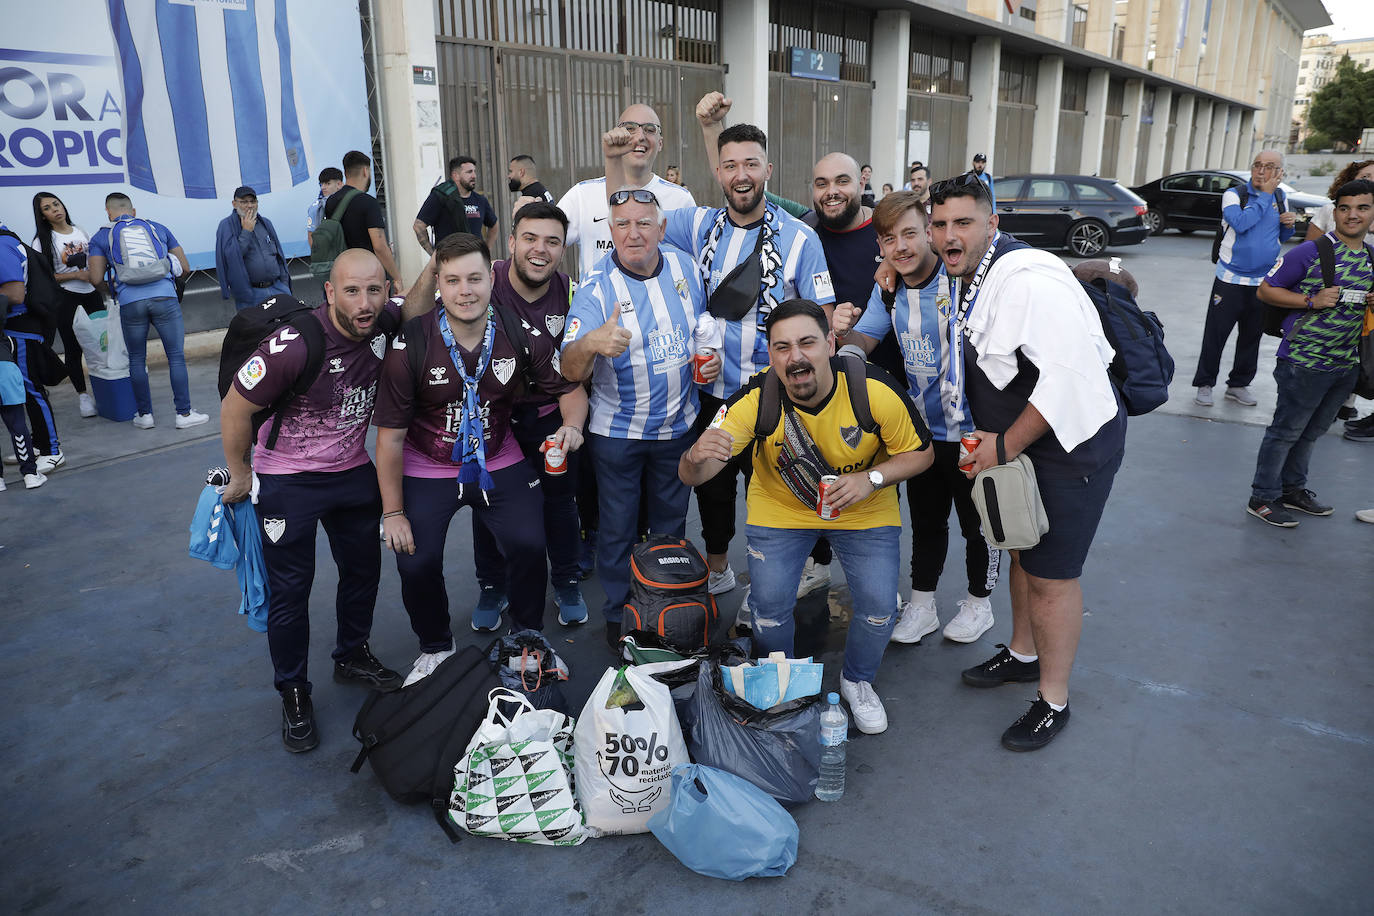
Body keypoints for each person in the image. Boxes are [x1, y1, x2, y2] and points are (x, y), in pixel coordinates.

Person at [928, 173, 1126, 751]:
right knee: (1021, 550)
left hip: (1071, 452)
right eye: (940, 224)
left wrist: (1002, 445)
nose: (948, 235)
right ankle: (1021, 653)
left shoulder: (1027, 280)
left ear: (993, 223)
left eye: (962, 222)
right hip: (1024, 447)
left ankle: (1053, 699)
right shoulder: (975, 272)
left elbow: (1066, 376)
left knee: (1051, 577)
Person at [613, 91, 833, 597]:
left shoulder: (801, 239)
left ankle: (813, 560)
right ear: (719, 173)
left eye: (750, 164)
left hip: (778, 390)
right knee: (713, 484)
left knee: (791, 478)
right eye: (730, 165)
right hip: (712, 392)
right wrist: (627, 158)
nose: (740, 175)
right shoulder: (697, 225)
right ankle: (718, 568)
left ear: (768, 170)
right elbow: (635, 221)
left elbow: (822, 317)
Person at [679, 299, 932, 734]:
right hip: (780, 510)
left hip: (863, 508)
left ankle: (858, 682)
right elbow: (693, 474)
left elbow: (921, 453)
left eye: (807, 343)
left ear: (831, 343)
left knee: (877, 609)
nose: (795, 356)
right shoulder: (754, 399)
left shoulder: (874, 390)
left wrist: (871, 479)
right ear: (771, 354)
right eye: (782, 347)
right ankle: (783, 685)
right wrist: (695, 455)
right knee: (769, 609)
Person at [218, 250, 429, 753]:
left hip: (352, 472)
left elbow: (417, 307)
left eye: (374, 290)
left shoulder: (382, 320)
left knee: (362, 572)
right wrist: (242, 471)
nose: (365, 302)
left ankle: (352, 653)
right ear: (330, 292)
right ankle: (292, 690)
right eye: (351, 291)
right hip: (287, 480)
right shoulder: (294, 345)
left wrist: (435, 258)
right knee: (292, 593)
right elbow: (234, 407)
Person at [375, 232, 586, 683]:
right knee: (415, 559)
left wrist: (571, 426)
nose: (464, 290)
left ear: (491, 279)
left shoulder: (516, 332)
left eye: (474, 278)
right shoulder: (409, 343)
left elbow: (569, 385)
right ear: (439, 285)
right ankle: (435, 646)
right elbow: (389, 439)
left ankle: (527, 640)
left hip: (497, 455)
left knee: (531, 543)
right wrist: (392, 512)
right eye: (452, 281)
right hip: (428, 464)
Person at [834, 191, 1002, 645]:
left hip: (974, 432)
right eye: (890, 240)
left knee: (978, 524)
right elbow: (865, 337)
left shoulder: (962, 275)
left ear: (930, 231)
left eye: (910, 233)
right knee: (927, 522)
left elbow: (992, 240)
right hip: (923, 433)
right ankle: (922, 605)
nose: (901, 247)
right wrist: (840, 363)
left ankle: (979, 604)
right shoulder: (888, 289)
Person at [560, 187, 716, 651]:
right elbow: (568, 368)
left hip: (678, 428)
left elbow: (701, 332)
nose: (633, 233)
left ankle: (666, 604)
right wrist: (591, 344)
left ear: (662, 229)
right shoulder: (596, 287)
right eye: (622, 224)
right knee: (618, 528)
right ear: (610, 232)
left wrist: (704, 362)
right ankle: (617, 614)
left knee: (671, 526)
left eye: (643, 223)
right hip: (618, 435)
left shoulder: (687, 268)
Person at [473, 202, 589, 627]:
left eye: (552, 242)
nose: (540, 250)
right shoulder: (482, 283)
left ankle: (566, 579)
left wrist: (573, 427)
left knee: (560, 503)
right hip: (492, 420)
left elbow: (576, 378)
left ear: (562, 249)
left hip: (550, 413)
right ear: (511, 243)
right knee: (486, 505)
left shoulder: (572, 291)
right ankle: (492, 586)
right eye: (530, 238)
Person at [1247, 179, 1374, 527]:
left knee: (1312, 432)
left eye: (1362, 208)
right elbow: (1266, 291)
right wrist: (1309, 300)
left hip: (1345, 364)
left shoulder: (1371, 257)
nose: (1352, 215)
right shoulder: (1311, 251)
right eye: (1345, 208)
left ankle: (1293, 490)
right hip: (1303, 362)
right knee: (1285, 431)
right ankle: (1263, 497)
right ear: (1335, 212)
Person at [86, 193, 208, 431]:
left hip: (131, 302)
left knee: (137, 359)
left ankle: (145, 415)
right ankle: (183, 414)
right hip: (164, 297)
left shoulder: (102, 236)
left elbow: (95, 278)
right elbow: (184, 268)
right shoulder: (158, 228)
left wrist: (114, 290)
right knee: (175, 356)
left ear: (108, 213)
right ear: (133, 211)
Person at [1192, 149, 1296, 409]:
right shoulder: (1234, 195)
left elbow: (1278, 237)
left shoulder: (1281, 197)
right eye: (1258, 165)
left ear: (1280, 172)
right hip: (1229, 280)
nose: (1262, 171)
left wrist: (1289, 224)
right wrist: (1264, 197)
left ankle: (1238, 385)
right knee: (1216, 335)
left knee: (1252, 337)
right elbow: (1240, 223)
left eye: (1270, 166)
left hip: (1262, 283)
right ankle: (1205, 384)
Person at [557, 104, 695, 279]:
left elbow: (693, 267)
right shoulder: (582, 195)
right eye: (630, 128)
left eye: (649, 129)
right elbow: (547, 245)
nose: (640, 137)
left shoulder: (681, 199)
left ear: (660, 143)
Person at [1304, 159, 1374, 431]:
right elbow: (1309, 253)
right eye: (1366, 176)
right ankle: (1323, 403)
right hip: (1331, 301)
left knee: (1364, 353)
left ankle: (1346, 402)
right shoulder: (1330, 211)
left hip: (1366, 305)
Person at [31, 192, 101, 418]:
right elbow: (43, 276)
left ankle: (104, 389)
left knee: (102, 343)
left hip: (92, 294)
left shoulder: (80, 230)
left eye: (56, 204)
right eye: (48, 208)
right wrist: (74, 276)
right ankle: (83, 396)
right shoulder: (42, 241)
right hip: (65, 297)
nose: (55, 209)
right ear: (42, 216)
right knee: (73, 348)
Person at [0, 220, 46, 490]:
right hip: (4, 366)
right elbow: (16, 297)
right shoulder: (4, 302)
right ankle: (30, 473)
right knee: (16, 422)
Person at [323, 151, 403, 291]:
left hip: (343, 273)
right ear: (366, 171)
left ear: (346, 173)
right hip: (368, 274)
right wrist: (397, 277)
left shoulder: (331, 201)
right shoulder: (368, 202)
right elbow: (379, 246)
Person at [215, 186, 292, 312]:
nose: (249, 205)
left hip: (277, 288)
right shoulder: (226, 225)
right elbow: (231, 258)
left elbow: (278, 256)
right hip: (252, 294)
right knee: (258, 330)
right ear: (234, 204)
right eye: (244, 202)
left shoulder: (265, 223)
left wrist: (284, 284)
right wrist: (246, 232)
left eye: (253, 201)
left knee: (285, 328)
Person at [414, 156, 498, 255]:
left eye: (474, 171)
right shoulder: (441, 197)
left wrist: (486, 251)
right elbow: (418, 226)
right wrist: (433, 255)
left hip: (475, 261)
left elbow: (494, 225)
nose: (474, 175)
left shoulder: (480, 200)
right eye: (469, 172)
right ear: (455, 175)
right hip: (449, 262)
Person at [305, 167, 344, 249]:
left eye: (327, 183)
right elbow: (311, 236)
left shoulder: (350, 202)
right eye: (321, 184)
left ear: (339, 184)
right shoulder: (316, 208)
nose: (323, 187)